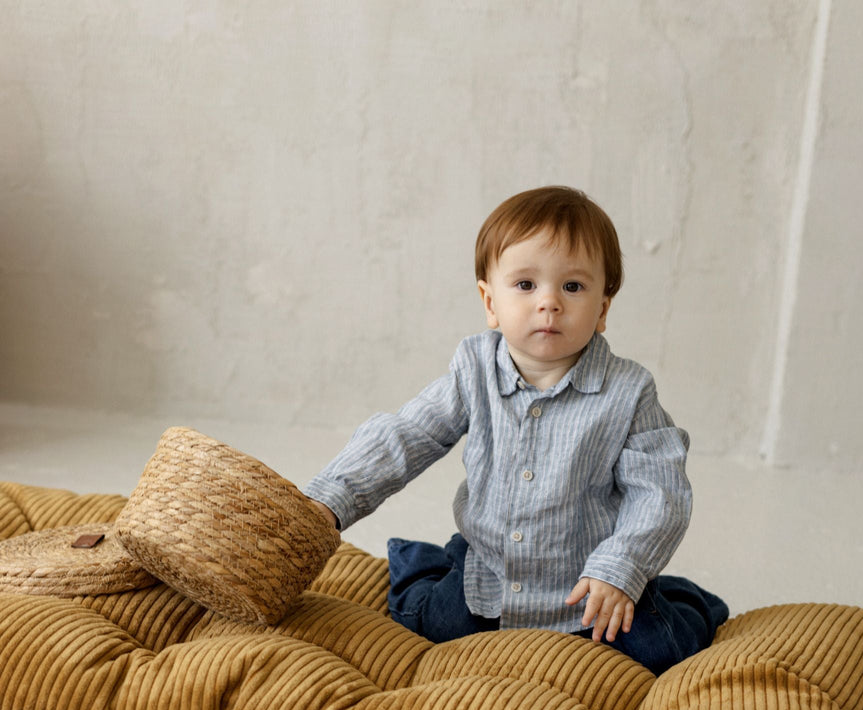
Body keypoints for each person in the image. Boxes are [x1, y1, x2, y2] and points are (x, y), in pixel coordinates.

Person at [305, 186, 727, 674]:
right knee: (427, 624)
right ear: (490, 301)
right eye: (525, 285)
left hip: (589, 583)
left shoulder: (629, 392)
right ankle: (418, 563)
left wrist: (622, 568)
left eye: (573, 287)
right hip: (489, 570)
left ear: (604, 308)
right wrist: (331, 499)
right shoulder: (473, 370)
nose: (549, 303)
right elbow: (406, 435)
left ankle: (686, 599)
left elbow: (661, 490)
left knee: (666, 651)